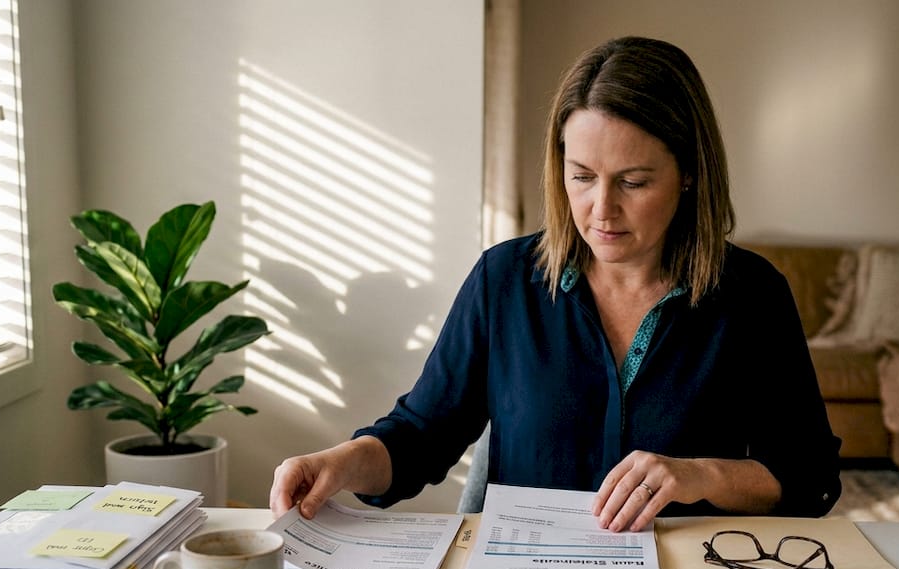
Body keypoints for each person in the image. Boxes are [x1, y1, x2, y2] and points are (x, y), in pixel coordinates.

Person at [270, 36, 841, 532]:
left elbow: (809, 478)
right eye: (582, 177)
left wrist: (700, 475)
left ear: (689, 173)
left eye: (634, 182)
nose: (602, 209)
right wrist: (339, 464)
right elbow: (420, 436)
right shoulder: (503, 282)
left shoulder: (752, 295)